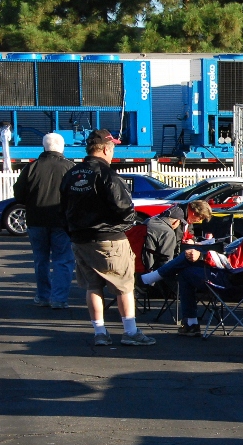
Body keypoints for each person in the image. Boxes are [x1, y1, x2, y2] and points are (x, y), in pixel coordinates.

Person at [59, 129, 154, 346]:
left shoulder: (71, 174)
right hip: (109, 238)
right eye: (112, 149)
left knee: (92, 286)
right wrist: (123, 226)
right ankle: (130, 332)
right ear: (104, 148)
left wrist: (73, 231)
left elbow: (62, 208)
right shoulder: (107, 174)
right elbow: (125, 209)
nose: (113, 154)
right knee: (124, 286)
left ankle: (99, 332)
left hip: (81, 239)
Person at [142, 201, 243, 337]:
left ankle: (190, 323)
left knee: (186, 271)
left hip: (234, 285)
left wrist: (205, 256)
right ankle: (158, 276)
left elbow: (232, 265)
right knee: (189, 260)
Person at [12, 133, 75, 309]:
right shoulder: (70, 168)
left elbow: (19, 194)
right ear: (62, 147)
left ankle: (43, 296)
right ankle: (59, 299)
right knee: (62, 260)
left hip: (36, 220)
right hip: (62, 221)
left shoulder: (31, 168)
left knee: (41, 260)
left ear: (44, 146)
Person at [140, 200, 212, 272]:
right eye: (200, 218)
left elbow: (190, 233)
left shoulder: (186, 216)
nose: (199, 221)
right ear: (194, 213)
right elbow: (171, 250)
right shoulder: (177, 217)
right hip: (158, 259)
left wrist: (192, 240)